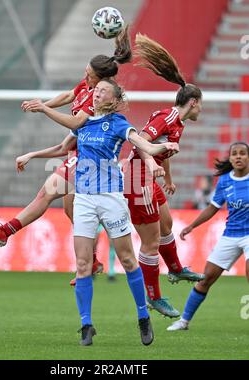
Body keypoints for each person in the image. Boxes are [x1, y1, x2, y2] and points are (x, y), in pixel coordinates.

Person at [0, 26, 132, 281]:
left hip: (88, 163)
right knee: (72, 212)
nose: (86, 78)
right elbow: (69, 95)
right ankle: (92, 261)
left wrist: (43, 110)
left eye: (90, 75)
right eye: (86, 73)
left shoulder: (99, 97)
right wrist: (43, 104)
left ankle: (6, 231)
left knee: (46, 193)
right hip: (77, 156)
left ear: (101, 79)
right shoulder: (87, 86)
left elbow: (75, 124)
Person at [70, 78, 179, 346]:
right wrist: (31, 156)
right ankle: (86, 325)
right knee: (83, 264)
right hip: (83, 199)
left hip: (111, 198)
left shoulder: (118, 123)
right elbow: (62, 148)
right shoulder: (81, 122)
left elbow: (142, 143)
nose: (97, 93)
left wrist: (158, 149)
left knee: (128, 260)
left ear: (114, 99)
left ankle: (143, 316)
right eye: (95, 90)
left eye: (103, 91)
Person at [124, 34, 205, 318]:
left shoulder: (176, 123)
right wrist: (152, 165)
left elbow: (162, 150)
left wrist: (165, 176)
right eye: (200, 104)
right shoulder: (167, 119)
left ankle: (175, 269)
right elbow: (141, 141)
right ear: (193, 102)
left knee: (167, 224)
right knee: (150, 242)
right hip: (136, 176)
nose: (201, 109)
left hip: (149, 176)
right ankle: (154, 297)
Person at [167, 142, 249, 331]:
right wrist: (192, 226)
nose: (238, 157)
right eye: (234, 154)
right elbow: (213, 208)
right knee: (206, 278)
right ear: (230, 158)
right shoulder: (225, 181)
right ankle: (184, 321)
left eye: (242, 153)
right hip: (231, 234)